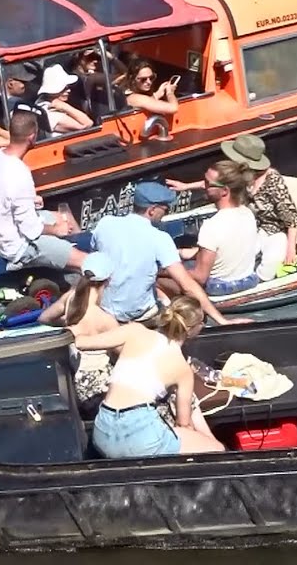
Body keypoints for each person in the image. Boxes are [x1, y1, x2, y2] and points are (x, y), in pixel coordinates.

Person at [74, 296, 225, 458]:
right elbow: (184, 424)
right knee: (217, 449)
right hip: (141, 437)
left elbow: (82, 343)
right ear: (194, 329)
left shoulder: (134, 331)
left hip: (103, 432)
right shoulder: (182, 369)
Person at [92, 181, 239, 325]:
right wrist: (222, 321)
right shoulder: (159, 238)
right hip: (138, 315)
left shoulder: (105, 224)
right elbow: (187, 285)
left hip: (103, 310)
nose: (166, 212)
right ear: (152, 210)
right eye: (166, 209)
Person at [167, 135, 297, 281]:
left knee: (267, 272)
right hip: (249, 226)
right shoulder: (239, 176)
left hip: (274, 231)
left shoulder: (273, 181)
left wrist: (290, 250)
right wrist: (186, 186)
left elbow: (291, 218)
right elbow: (216, 183)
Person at [0, 111, 86, 271]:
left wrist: (30, 201)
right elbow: (30, 230)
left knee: (62, 216)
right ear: (32, 136)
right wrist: (56, 230)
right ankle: (77, 267)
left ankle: (70, 253)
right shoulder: (19, 172)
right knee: (86, 262)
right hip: (19, 247)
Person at [163, 160, 261, 297]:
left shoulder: (211, 226)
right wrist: (186, 252)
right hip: (247, 280)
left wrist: (164, 271)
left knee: (159, 279)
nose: (204, 186)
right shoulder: (247, 213)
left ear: (224, 191)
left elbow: (200, 276)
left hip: (219, 287)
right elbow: (225, 247)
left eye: (208, 184)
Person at [38, 251, 119, 408]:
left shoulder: (69, 299)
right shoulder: (105, 320)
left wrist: (69, 329)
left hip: (75, 382)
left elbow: (44, 318)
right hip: (99, 391)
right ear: (107, 281)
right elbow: (125, 353)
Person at [37, 63, 93, 134]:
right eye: (64, 88)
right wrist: (65, 107)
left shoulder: (44, 100)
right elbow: (87, 124)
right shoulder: (48, 112)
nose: (69, 90)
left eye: (68, 87)